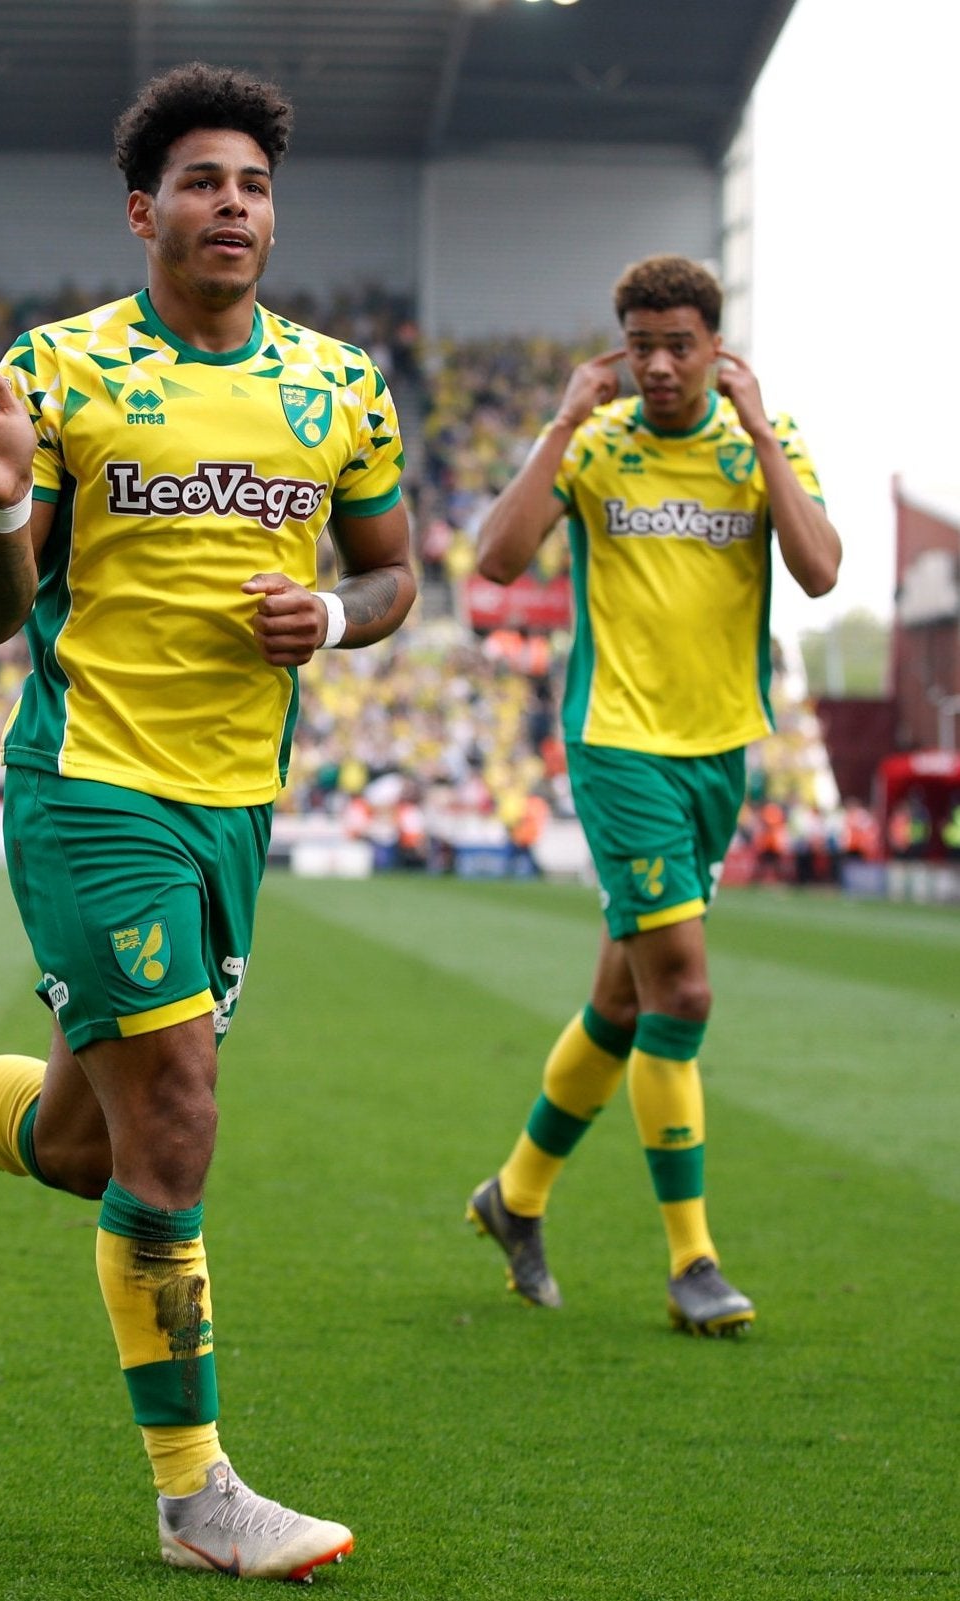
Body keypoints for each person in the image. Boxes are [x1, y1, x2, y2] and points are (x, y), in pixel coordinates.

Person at [0, 64, 413, 1582]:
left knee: (78, 1140)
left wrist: (339, 616)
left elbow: (392, 573)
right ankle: (196, 1495)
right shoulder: (55, 374)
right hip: (88, 783)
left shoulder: (339, 385)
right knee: (172, 1123)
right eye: (201, 183)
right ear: (142, 211)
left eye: (250, 184)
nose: (230, 204)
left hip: (235, 799)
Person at [463, 255, 840, 1335]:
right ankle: (692, 1262)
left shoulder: (758, 444)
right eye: (641, 345)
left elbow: (817, 572)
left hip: (717, 752)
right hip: (617, 743)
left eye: (680, 344)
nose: (660, 365)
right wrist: (557, 423)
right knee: (681, 996)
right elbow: (494, 560)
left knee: (622, 1002)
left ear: (714, 347)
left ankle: (514, 1195)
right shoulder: (595, 443)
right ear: (619, 347)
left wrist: (763, 434)